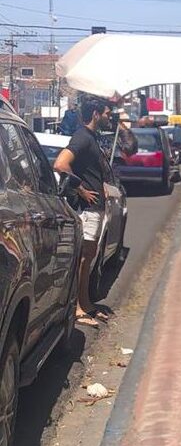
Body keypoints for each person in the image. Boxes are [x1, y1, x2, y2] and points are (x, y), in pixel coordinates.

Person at [53, 96, 114, 328]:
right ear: (96, 114)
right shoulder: (82, 137)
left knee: (88, 259)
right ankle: (78, 308)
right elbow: (60, 164)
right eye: (107, 113)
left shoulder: (92, 138)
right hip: (87, 211)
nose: (110, 118)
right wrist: (81, 189)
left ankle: (86, 304)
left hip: (96, 209)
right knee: (83, 258)